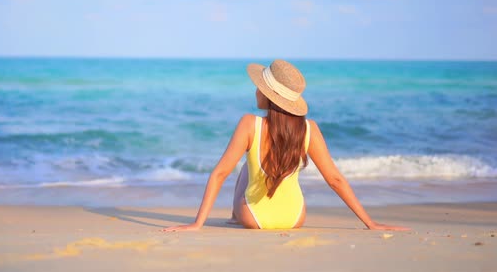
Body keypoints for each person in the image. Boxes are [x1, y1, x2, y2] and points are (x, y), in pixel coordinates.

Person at [163, 60, 408, 231]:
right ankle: (241, 214)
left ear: (268, 95)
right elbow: (335, 179)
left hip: (254, 218)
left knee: (247, 165)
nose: (255, 90)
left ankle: (234, 217)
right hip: (295, 217)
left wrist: (197, 224)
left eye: (259, 87)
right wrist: (371, 223)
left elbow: (220, 173)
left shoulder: (250, 124)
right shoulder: (309, 129)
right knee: (260, 163)